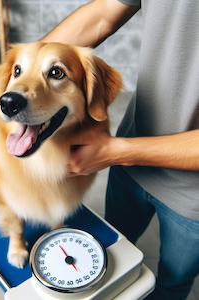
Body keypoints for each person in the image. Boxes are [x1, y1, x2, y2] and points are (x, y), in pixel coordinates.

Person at [41, 1, 199, 299]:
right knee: (108, 253)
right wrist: (20, 74)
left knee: (173, 284)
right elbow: (103, 13)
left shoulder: (117, 151)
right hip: (130, 165)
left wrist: (115, 152)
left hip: (193, 198)